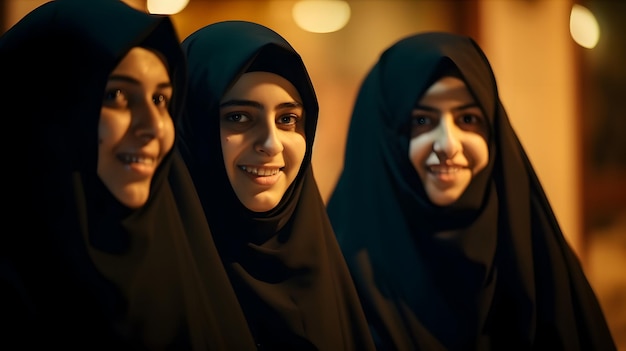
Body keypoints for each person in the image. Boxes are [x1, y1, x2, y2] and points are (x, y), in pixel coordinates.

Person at [326, 31, 617, 350]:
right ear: (387, 137)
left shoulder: (533, 256)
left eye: (468, 119)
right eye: (422, 120)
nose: (448, 144)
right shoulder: (341, 276)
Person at [0, 0, 256, 349]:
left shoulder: (177, 271)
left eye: (161, 100)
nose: (153, 127)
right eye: (117, 95)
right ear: (43, 109)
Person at [177, 20, 376, 350]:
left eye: (287, 119)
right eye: (239, 117)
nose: (271, 144)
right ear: (191, 127)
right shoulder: (164, 276)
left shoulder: (320, 266)